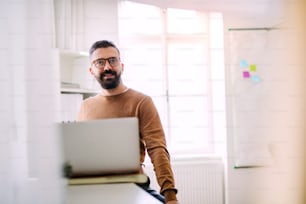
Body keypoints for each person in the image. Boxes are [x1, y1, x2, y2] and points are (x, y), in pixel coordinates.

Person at [77, 40, 179, 204]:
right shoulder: (85, 106)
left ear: (121, 66)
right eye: (100, 62)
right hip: (97, 190)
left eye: (113, 60)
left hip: (134, 187)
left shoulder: (142, 102)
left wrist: (170, 196)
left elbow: (157, 149)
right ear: (91, 70)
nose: (108, 67)